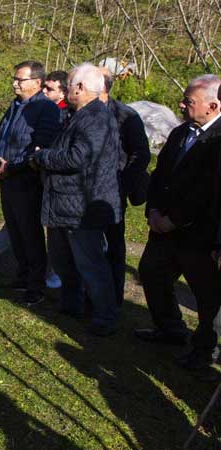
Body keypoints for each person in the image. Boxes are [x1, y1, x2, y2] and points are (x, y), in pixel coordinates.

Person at [134, 75, 221, 370]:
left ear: (212, 105)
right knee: (150, 273)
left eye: (189, 101)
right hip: (163, 229)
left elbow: (209, 193)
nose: (181, 104)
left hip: (198, 236)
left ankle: (203, 354)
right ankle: (170, 328)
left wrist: (176, 220)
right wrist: (154, 211)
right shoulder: (181, 132)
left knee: (207, 298)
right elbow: (160, 175)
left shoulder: (218, 141)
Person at [29, 63, 122, 336]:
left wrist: (42, 157)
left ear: (80, 87)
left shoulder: (95, 118)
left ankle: (105, 317)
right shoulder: (77, 114)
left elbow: (78, 157)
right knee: (64, 261)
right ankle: (72, 305)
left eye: (69, 84)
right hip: (66, 202)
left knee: (91, 263)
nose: (67, 88)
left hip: (83, 205)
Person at [0, 61, 61, 305]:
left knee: (30, 234)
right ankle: (23, 276)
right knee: (16, 231)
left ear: (37, 83)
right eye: (15, 78)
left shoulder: (46, 109)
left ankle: (36, 285)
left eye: (21, 80)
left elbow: (41, 146)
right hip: (8, 178)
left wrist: (14, 167)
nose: (15, 83)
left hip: (28, 181)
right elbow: (3, 136)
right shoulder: (16, 105)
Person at [100, 67, 151, 305]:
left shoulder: (125, 116)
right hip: (83, 190)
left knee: (112, 245)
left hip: (113, 191)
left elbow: (141, 154)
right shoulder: (75, 112)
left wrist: (122, 184)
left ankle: (113, 298)